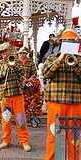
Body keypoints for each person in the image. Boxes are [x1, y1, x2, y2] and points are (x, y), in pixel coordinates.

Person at [43, 29, 81, 160]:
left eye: (72, 41)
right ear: (60, 43)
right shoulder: (52, 58)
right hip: (55, 102)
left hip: (75, 103)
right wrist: (60, 58)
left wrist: (75, 63)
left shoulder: (80, 60)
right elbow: (46, 74)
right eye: (66, 41)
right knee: (53, 136)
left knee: (74, 138)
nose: (69, 44)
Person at [0, 42, 31, 152]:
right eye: (2, 52)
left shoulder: (17, 62)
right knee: (6, 118)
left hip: (17, 94)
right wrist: (4, 69)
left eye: (6, 51)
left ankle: (24, 141)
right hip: (5, 96)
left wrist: (12, 65)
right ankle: (6, 139)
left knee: (21, 118)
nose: (4, 54)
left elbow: (23, 72)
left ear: (10, 50)